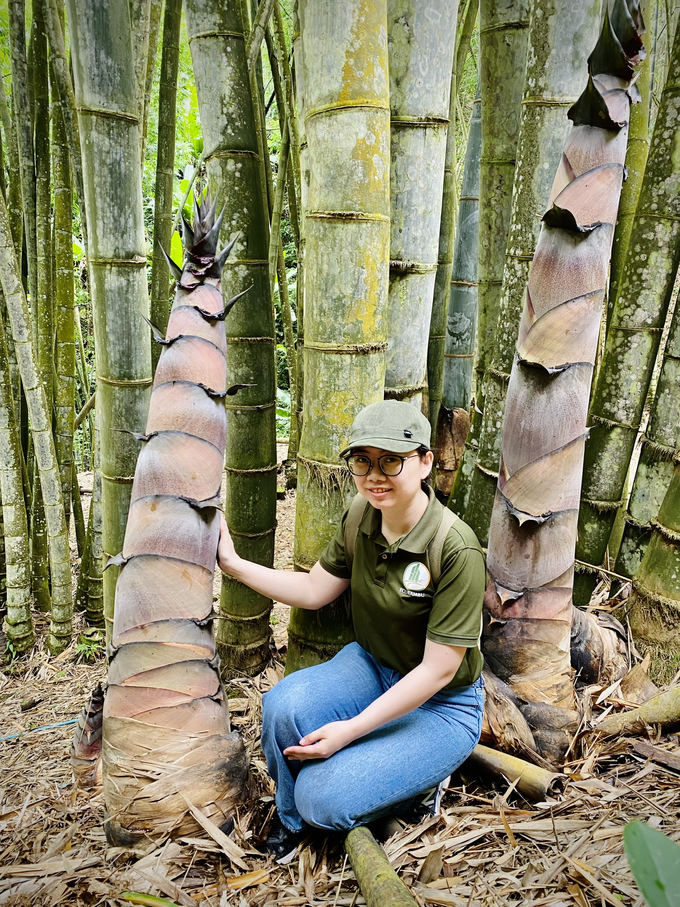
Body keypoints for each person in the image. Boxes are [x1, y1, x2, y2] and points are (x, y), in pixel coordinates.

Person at [217, 400, 486, 863]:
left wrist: (351, 732)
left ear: (425, 462)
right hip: (372, 666)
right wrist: (234, 565)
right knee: (281, 707)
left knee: (324, 797)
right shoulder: (360, 514)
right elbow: (315, 589)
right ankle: (290, 820)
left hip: (443, 705)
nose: (374, 475)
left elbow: (440, 671)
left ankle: (419, 787)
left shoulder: (456, 548)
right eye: (363, 460)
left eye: (391, 461)